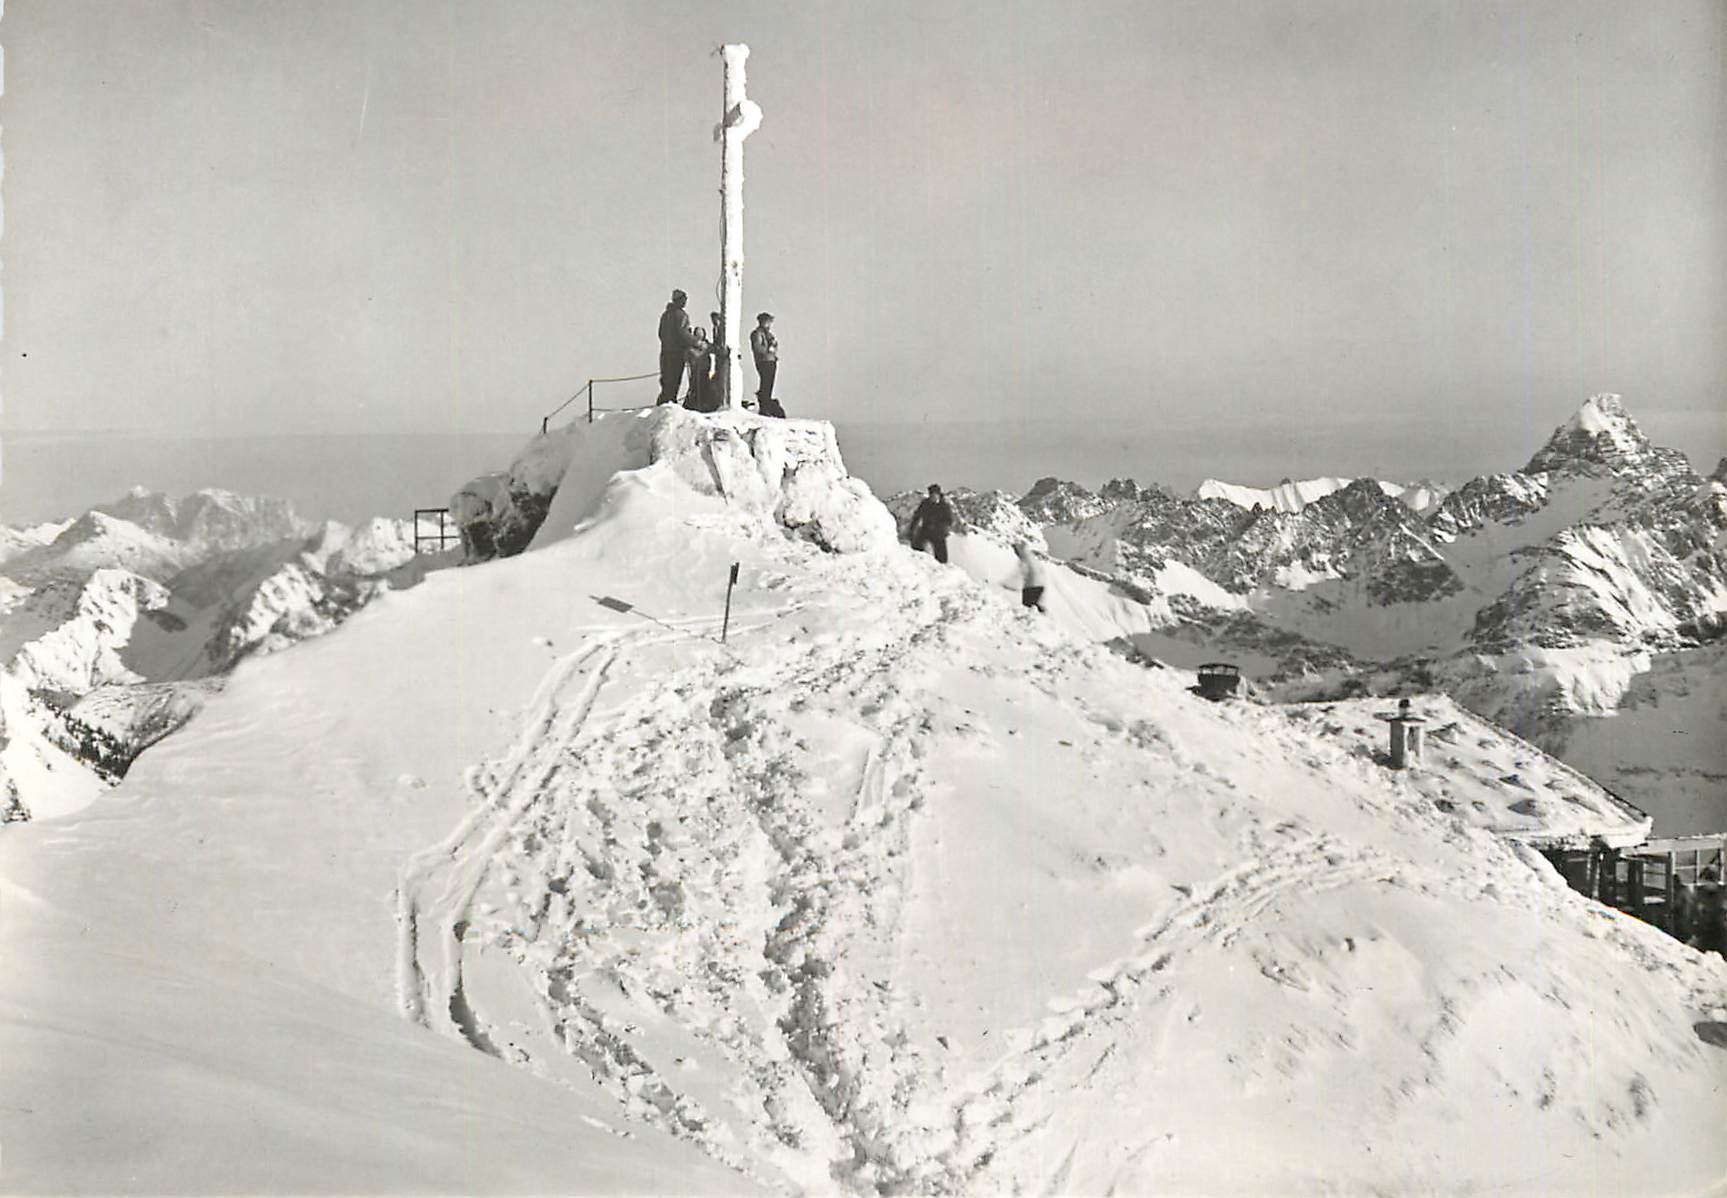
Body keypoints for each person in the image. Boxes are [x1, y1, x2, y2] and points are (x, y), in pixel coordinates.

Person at [657, 290, 695, 405]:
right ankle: (669, 404)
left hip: (665, 353)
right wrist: (696, 342)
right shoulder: (681, 315)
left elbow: (660, 334)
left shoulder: (665, 315)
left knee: (666, 381)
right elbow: (683, 334)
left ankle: (663, 404)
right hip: (677, 353)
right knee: (674, 381)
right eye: (684, 299)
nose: (685, 301)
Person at [907, 484, 956, 564]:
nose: (933, 497)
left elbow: (949, 520)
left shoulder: (944, 506)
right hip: (926, 529)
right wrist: (912, 529)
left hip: (939, 532)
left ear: (938, 495)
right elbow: (917, 516)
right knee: (917, 543)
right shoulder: (925, 504)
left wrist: (939, 526)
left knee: (941, 554)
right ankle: (920, 562)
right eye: (931, 495)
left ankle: (942, 566)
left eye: (934, 495)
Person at [1689, 866, 1725, 957]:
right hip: (1705, 931)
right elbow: (1695, 914)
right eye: (1703, 882)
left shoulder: (1723, 893)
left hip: (1721, 931)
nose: (1705, 885)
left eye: (1707, 882)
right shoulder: (1700, 892)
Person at [751, 312, 779, 412]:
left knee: (769, 384)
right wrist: (768, 350)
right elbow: (757, 348)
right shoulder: (757, 333)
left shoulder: (769, 334)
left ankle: (766, 405)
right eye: (768, 322)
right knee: (766, 384)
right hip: (764, 362)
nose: (770, 324)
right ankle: (764, 407)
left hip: (771, 361)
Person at [684, 327, 714, 411]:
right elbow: (686, 357)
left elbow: (713, 348)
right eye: (697, 334)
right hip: (695, 371)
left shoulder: (706, 345)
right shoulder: (691, 347)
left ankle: (704, 405)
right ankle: (694, 405)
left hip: (704, 370)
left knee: (704, 387)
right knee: (695, 388)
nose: (699, 336)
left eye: (701, 334)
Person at [1014, 541, 1048, 612]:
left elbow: (1020, 574)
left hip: (1032, 584)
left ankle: (1032, 614)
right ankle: (1037, 612)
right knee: (1031, 604)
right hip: (1039, 585)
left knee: (1027, 604)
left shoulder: (1024, 558)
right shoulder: (1031, 557)